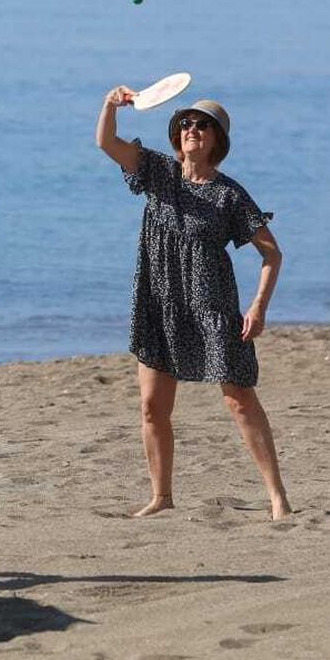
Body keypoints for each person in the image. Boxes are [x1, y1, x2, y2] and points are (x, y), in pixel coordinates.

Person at [95, 89, 293, 520]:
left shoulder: (229, 196)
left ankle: (278, 497)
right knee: (152, 407)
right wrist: (111, 105)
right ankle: (161, 497)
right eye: (185, 123)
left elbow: (271, 255)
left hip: (212, 304)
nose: (192, 130)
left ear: (217, 139)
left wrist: (258, 308)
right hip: (160, 300)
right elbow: (107, 144)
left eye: (202, 125)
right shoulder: (157, 173)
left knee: (239, 398)